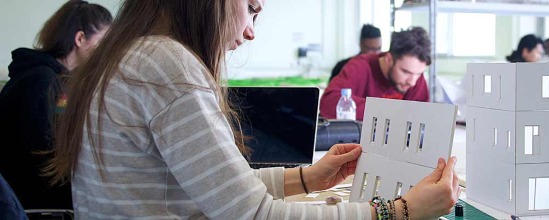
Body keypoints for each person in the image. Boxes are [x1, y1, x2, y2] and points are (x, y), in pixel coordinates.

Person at [44, 0, 459, 219]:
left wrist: (306, 178)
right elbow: (255, 216)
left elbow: (218, 189)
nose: (249, 31)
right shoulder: (165, 65)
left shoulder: (135, 55)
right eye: (252, 9)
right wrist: (401, 211)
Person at [0, 0, 112, 210]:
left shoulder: (52, 78)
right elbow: (43, 156)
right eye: (103, 43)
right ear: (80, 39)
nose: (106, 53)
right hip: (30, 201)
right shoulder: (41, 81)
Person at [320, 27, 431, 121]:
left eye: (419, 74)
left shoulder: (415, 76)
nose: (412, 82)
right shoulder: (360, 67)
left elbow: (421, 117)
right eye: (405, 72)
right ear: (388, 59)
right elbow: (328, 104)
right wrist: (388, 110)